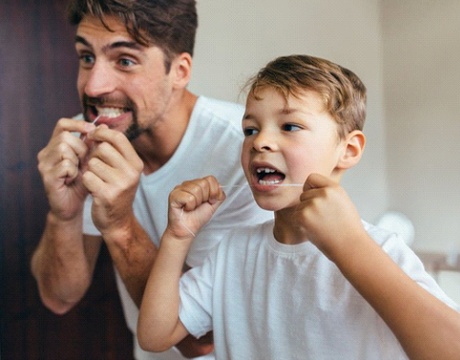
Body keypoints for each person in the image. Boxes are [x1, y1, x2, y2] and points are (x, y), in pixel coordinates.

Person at [137, 54, 460, 359]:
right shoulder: (233, 252)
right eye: (250, 129)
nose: (259, 141)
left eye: (289, 126)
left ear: (348, 150)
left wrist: (350, 246)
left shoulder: (381, 248)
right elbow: (155, 336)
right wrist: (177, 238)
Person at [30, 1, 271, 359]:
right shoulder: (87, 143)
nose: (94, 87)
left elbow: (202, 340)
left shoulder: (246, 154)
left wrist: (120, 225)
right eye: (86, 57)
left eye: (125, 60)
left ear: (180, 71)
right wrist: (63, 214)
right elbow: (59, 297)